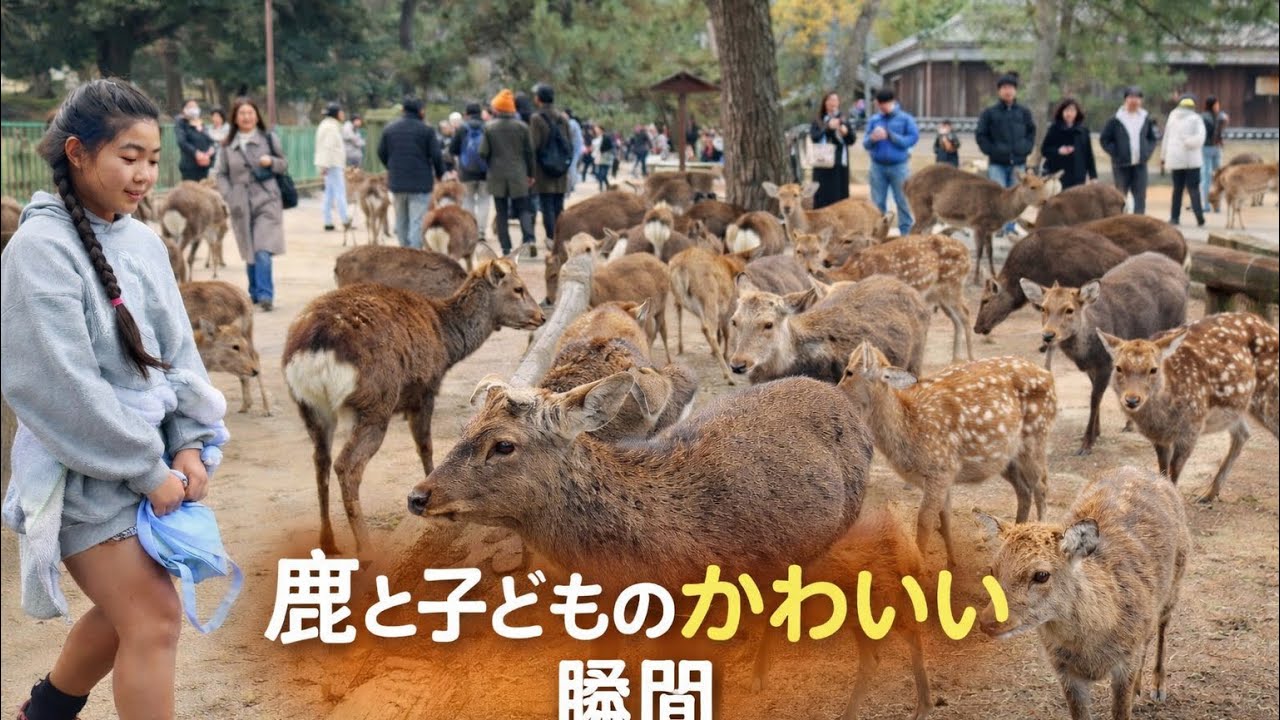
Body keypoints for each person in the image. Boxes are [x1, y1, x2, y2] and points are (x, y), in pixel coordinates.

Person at [2, 78, 221, 720]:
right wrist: (147, 469)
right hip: (80, 474)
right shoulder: (38, 251)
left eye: (152, 159)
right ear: (77, 152)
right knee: (153, 616)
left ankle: (43, 713)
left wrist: (188, 443)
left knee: (129, 609)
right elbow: (59, 390)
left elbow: (179, 354)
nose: (144, 174)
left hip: (149, 461)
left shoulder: (143, 241)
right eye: (129, 156)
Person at [216, 97, 288, 310]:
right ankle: (254, 292)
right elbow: (221, 174)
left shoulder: (269, 138)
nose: (246, 117)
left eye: (250, 113)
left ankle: (265, 295)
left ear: (257, 116)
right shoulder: (227, 145)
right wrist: (229, 195)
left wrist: (271, 161)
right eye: (242, 113)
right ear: (235, 118)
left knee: (262, 248)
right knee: (250, 249)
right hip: (240, 202)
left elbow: (283, 164)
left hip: (267, 198)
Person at [377, 97, 445, 248]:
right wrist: (440, 174)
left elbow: (381, 152)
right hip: (420, 184)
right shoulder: (427, 130)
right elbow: (436, 155)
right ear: (421, 111)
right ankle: (414, 254)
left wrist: (392, 167)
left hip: (397, 183)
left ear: (403, 110)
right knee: (417, 221)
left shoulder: (389, 129)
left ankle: (404, 251)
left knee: (401, 220)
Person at [976, 74, 1035, 234]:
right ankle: (998, 227)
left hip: (1018, 162)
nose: (1007, 91)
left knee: (1016, 197)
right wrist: (991, 150)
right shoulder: (990, 113)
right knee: (998, 196)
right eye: (1004, 88)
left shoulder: (1024, 112)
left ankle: (1010, 228)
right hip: (997, 163)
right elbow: (981, 134)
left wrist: (1026, 148)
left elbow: (1031, 132)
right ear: (999, 91)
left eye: (1011, 88)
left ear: (1015, 91)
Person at [480, 89, 534, 255]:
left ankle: (506, 247)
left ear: (497, 108)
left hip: (497, 175)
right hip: (519, 173)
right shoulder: (522, 127)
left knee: (501, 212)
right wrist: (531, 174)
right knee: (524, 208)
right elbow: (530, 153)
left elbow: (483, 152)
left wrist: (492, 163)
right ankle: (529, 241)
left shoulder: (489, 127)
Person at [862, 88, 919, 236]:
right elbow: (865, 143)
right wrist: (872, 138)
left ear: (892, 102)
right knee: (877, 203)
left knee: (903, 201)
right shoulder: (874, 120)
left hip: (899, 167)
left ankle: (906, 235)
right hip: (877, 166)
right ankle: (879, 235)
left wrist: (891, 136)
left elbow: (912, 139)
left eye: (884, 105)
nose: (882, 108)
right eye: (880, 105)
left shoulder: (905, 119)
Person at [1100, 86, 1159, 215]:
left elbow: (1152, 138)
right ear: (1125, 99)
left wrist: (1147, 152)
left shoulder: (1145, 118)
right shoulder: (1116, 119)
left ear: (1141, 101)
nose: (1134, 100)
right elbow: (1104, 139)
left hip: (1140, 164)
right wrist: (1116, 153)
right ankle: (1120, 220)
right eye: (1131, 97)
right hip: (1121, 165)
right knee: (1120, 196)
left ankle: (1139, 222)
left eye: (1137, 97)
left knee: (1140, 196)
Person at [529, 83, 572, 249]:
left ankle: (551, 239)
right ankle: (560, 237)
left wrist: (531, 172)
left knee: (546, 206)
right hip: (561, 170)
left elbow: (533, 146)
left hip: (543, 170)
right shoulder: (562, 118)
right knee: (559, 206)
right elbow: (569, 144)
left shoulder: (536, 118)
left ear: (539, 99)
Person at [1161, 94, 1206, 227]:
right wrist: (1188, 142)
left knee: (1177, 190)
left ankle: (1174, 217)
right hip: (1192, 161)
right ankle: (1199, 217)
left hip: (1175, 159)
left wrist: (1163, 157)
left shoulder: (1172, 117)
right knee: (1194, 189)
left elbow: (1166, 138)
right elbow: (1200, 138)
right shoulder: (1196, 118)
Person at [808, 91, 856, 209]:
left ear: (839, 103)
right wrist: (828, 128)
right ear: (825, 103)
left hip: (839, 165)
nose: (833, 103)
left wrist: (845, 133)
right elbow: (814, 137)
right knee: (822, 195)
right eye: (830, 100)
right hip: (822, 164)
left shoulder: (843, 120)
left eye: (835, 100)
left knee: (839, 196)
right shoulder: (818, 120)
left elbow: (851, 140)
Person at [450, 102, 490, 244]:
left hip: (466, 172)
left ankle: (469, 230)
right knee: (484, 200)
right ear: (480, 112)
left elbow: (452, 149)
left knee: (468, 200)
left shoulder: (462, 128)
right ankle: (481, 231)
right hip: (485, 172)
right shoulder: (488, 126)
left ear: (466, 114)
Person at [1039, 98, 1097, 189]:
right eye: (1066, 110)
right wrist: (1058, 151)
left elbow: (1089, 155)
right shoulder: (1054, 129)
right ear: (1061, 112)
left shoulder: (1083, 131)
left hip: (1078, 177)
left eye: (1072, 111)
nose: (1069, 114)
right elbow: (1044, 150)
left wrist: (1093, 176)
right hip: (1057, 176)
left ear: (1077, 113)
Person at [314, 102, 351, 232]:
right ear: (336, 114)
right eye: (341, 112)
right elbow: (328, 147)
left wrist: (323, 165)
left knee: (329, 193)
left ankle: (328, 221)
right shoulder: (331, 127)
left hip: (328, 163)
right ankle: (345, 219)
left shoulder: (327, 125)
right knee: (340, 192)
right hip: (332, 163)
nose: (343, 114)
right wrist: (325, 165)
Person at [174, 98, 215, 182]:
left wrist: (211, 149)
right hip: (190, 166)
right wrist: (196, 153)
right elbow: (182, 141)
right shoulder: (181, 122)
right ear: (184, 109)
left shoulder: (201, 123)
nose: (194, 109)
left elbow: (210, 139)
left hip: (205, 165)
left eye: (195, 106)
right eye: (190, 106)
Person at [1200, 96, 1228, 211]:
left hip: (1215, 148)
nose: (1218, 106)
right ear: (1211, 105)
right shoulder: (1205, 117)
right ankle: (1207, 204)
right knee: (1208, 176)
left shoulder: (1219, 116)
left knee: (1217, 176)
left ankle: (1215, 204)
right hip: (1207, 148)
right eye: (1216, 104)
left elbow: (1221, 131)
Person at [565, 108, 584, 193]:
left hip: (574, 149)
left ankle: (572, 185)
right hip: (576, 149)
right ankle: (572, 185)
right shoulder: (574, 123)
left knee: (572, 167)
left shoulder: (571, 123)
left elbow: (567, 134)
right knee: (573, 167)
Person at [592, 125, 614, 191]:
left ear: (601, 130)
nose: (596, 130)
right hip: (597, 157)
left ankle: (604, 186)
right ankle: (605, 186)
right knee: (598, 173)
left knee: (603, 173)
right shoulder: (595, 138)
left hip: (606, 157)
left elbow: (610, 147)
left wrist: (603, 152)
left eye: (597, 129)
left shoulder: (606, 138)